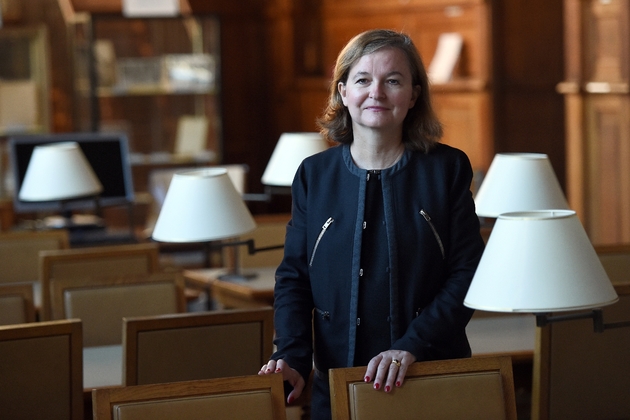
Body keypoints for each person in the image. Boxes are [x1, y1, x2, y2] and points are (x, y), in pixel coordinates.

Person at [259, 28, 485, 419]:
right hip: (337, 382)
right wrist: (290, 355)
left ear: (413, 95)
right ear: (343, 91)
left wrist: (412, 345)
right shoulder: (314, 175)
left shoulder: (447, 169)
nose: (376, 93)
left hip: (427, 374)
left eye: (393, 81)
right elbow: (294, 277)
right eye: (362, 80)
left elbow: (468, 273)